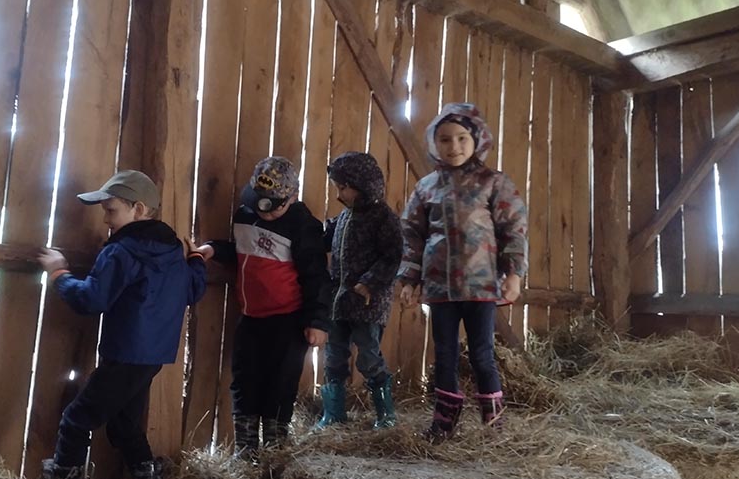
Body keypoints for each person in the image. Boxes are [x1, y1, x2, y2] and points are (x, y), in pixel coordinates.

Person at [37, 170, 207, 479]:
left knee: (76, 421)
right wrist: (197, 259)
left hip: (125, 354)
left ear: (138, 209)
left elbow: (91, 300)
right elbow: (193, 290)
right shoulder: (173, 250)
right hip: (152, 356)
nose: (106, 219)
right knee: (125, 424)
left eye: (111, 210)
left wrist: (59, 273)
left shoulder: (120, 252)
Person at [398, 103, 527, 441]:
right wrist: (409, 279)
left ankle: (494, 424)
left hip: (480, 285)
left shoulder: (493, 182)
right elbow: (412, 234)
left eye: (461, 138)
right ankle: (443, 423)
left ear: (477, 139)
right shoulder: (426, 187)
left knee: (483, 353)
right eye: (445, 139)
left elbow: (513, 229)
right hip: (440, 288)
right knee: (444, 354)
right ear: (434, 142)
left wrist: (513, 273)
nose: (453, 146)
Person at [193, 156, 330, 458]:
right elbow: (245, 252)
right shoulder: (245, 215)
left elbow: (316, 276)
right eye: (258, 203)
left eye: (273, 206)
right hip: (252, 317)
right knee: (244, 380)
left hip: (288, 320)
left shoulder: (302, 226)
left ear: (292, 197)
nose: (264, 211)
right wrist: (215, 248)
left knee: (280, 384)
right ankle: (246, 451)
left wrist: (317, 321)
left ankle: (274, 451)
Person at [315, 151, 403, 430]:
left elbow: (393, 256)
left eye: (344, 188)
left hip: (367, 304)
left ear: (363, 185)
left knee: (368, 356)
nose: (339, 194)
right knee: (334, 355)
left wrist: (369, 283)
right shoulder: (343, 217)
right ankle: (333, 414)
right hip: (340, 301)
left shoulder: (383, 218)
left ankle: (385, 414)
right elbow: (326, 241)